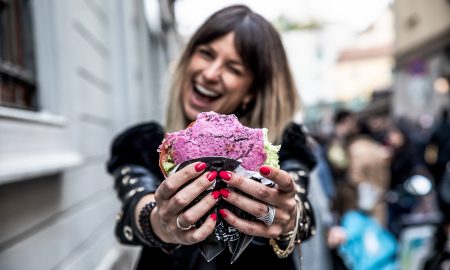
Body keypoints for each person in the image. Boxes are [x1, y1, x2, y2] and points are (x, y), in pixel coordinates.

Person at [106, 5, 317, 270]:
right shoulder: (144, 143)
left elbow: (301, 207)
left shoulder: (279, 145)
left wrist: (288, 216)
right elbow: (132, 207)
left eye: (234, 68)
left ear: (252, 90)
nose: (210, 73)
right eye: (206, 54)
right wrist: (160, 222)